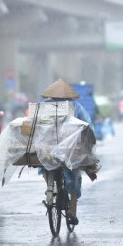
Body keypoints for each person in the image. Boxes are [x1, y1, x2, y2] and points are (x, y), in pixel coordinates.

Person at [40, 78, 95, 226]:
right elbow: (88, 125)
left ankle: (50, 187)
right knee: (75, 177)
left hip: (48, 148)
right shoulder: (76, 106)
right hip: (70, 150)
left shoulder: (44, 106)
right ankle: (72, 209)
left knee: (44, 166)